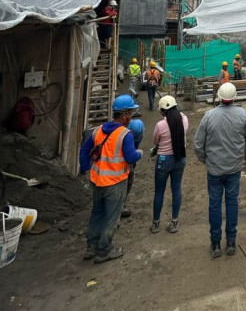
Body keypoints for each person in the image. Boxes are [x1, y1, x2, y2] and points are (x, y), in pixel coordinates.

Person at [194, 82, 246, 258]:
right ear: (234, 97)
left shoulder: (209, 116)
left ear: (219, 97)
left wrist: (205, 160)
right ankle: (231, 242)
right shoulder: (243, 115)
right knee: (232, 203)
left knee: (214, 204)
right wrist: (241, 154)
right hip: (234, 168)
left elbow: (198, 145)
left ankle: (215, 244)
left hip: (214, 169)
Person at [79, 94, 142, 263]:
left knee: (97, 214)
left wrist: (86, 170)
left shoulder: (98, 130)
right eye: (130, 113)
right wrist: (139, 154)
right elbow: (130, 157)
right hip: (115, 182)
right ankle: (104, 250)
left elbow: (84, 151)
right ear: (124, 115)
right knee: (111, 217)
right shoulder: (125, 134)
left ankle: (91, 246)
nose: (131, 117)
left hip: (97, 181)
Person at [151, 95, 189, 234]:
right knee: (176, 188)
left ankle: (155, 224)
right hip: (180, 158)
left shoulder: (160, 125)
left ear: (163, 111)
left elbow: (155, 142)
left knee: (159, 191)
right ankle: (174, 222)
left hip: (164, 160)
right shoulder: (184, 120)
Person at [122, 117, 144, 218]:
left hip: (119, 167)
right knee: (127, 184)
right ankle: (121, 207)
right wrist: (139, 153)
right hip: (127, 166)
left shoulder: (126, 136)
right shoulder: (137, 137)